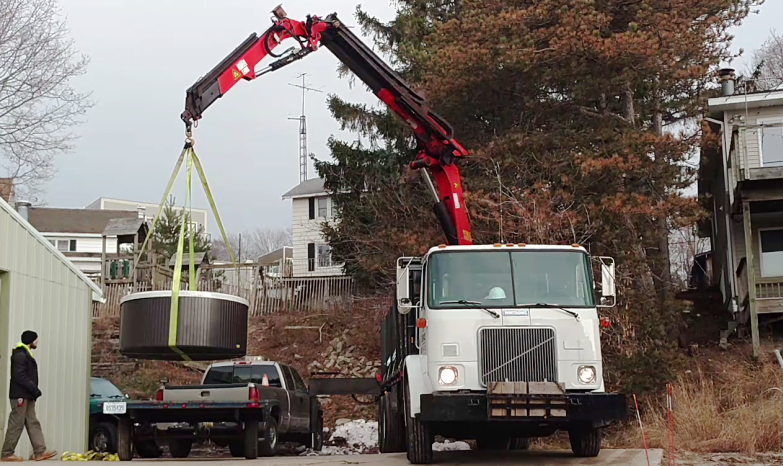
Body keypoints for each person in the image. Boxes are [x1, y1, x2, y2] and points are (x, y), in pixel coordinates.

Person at [1, 331, 56, 462]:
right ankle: (7, 453)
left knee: (32, 421)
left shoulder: (26, 354)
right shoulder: (20, 355)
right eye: (36, 340)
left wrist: (32, 392)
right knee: (16, 423)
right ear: (30, 341)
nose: (37, 342)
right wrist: (34, 388)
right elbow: (19, 376)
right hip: (20, 396)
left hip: (27, 395)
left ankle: (40, 451)